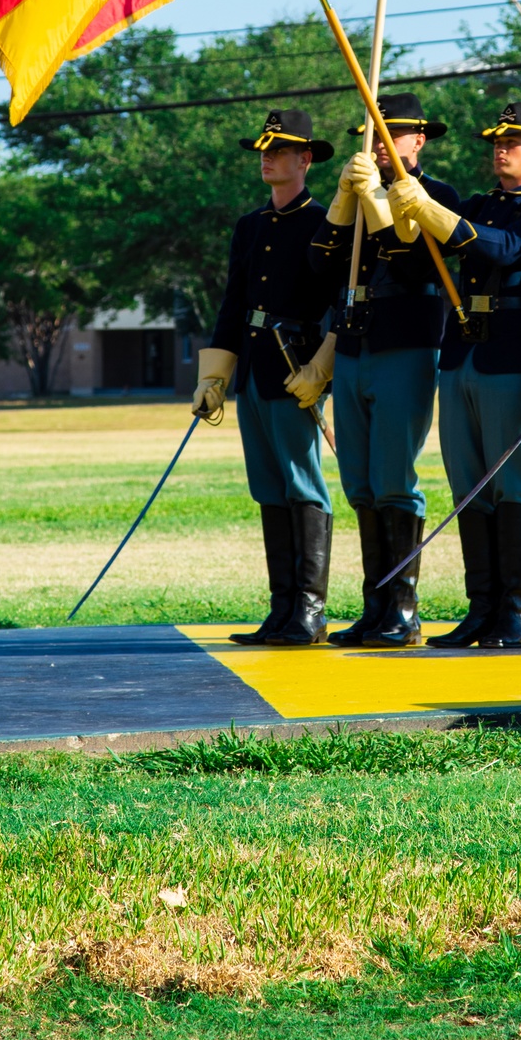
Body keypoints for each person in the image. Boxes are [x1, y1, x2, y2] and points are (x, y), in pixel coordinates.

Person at [389, 101, 521, 649]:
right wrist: (405, 194)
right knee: (468, 487)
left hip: (512, 358)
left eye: (512, 143)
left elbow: (507, 250)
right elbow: (426, 246)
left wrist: (437, 214)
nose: (501, 149)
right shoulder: (479, 204)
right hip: (462, 356)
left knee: (510, 484)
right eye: (497, 142)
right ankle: (481, 608)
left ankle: (512, 611)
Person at [305, 93, 457, 648]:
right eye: (374, 133)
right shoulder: (356, 189)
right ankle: (376, 606)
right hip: (353, 344)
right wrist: (345, 200)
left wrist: (374, 194)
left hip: (405, 341)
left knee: (394, 479)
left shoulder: (436, 196)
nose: (381, 144)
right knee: (360, 483)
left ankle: (403, 609)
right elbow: (319, 263)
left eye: (393, 133)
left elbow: (405, 250)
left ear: (418, 141)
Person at [193, 109, 337, 647]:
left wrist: (323, 366)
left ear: (305, 159)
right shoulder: (250, 225)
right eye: (263, 148)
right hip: (254, 368)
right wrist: (215, 375)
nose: (266, 156)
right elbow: (233, 303)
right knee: (269, 489)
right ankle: (282, 610)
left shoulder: (324, 223)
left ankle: (309, 610)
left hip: (295, 365)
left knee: (303, 485)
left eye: (278, 150)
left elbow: (337, 305)